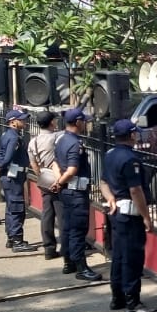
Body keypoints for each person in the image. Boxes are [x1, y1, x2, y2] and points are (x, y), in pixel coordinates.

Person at [100, 118, 157, 312]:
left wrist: (110, 199)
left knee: (118, 256)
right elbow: (136, 190)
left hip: (116, 213)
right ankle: (133, 303)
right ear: (132, 135)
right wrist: (146, 217)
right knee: (132, 259)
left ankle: (117, 297)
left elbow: (102, 182)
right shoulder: (130, 159)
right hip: (130, 214)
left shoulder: (109, 155)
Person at [53, 107, 101, 281]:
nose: (85, 123)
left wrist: (59, 181)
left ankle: (69, 262)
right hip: (76, 193)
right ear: (77, 122)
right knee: (78, 231)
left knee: (67, 228)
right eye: (84, 120)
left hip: (66, 192)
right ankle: (81, 267)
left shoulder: (61, 139)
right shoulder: (75, 143)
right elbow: (72, 169)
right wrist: (60, 181)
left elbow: (55, 163)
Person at [0, 108, 35, 253]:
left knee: (11, 208)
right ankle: (17, 240)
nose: (24, 121)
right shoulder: (13, 137)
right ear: (13, 122)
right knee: (17, 209)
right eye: (22, 119)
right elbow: (7, 157)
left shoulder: (8, 135)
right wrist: (0, 166)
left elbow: (0, 154)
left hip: (11, 177)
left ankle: (12, 238)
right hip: (13, 177)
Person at [28, 111, 62, 258]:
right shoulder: (57, 138)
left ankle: (49, 247)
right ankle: (66, 247)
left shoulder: (33, 141)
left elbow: (33, 163)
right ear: (52, 123)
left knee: (47, 214)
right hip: (58, 177)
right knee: (62, 214)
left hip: (43, 177)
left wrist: (40, 176)